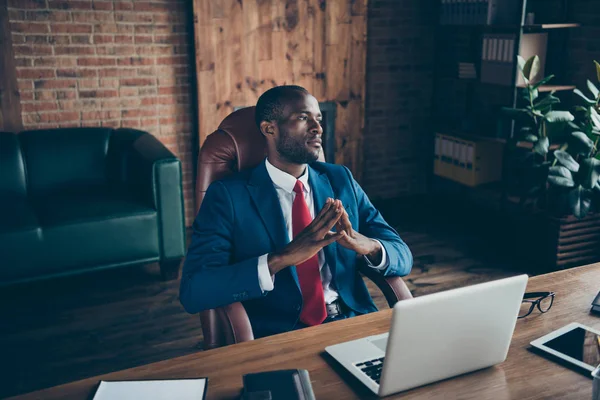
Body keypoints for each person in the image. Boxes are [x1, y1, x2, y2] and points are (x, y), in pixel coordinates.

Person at [180, 85, 412, 339]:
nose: (318, 128)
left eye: (319, 119)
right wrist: (281, 258)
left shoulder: (340, 180)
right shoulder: (228, 196)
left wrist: (370, 246)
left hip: (351, 322)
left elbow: (403, 255)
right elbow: (194, 290)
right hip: (279, 335)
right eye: (303, 118)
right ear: (269, 129)